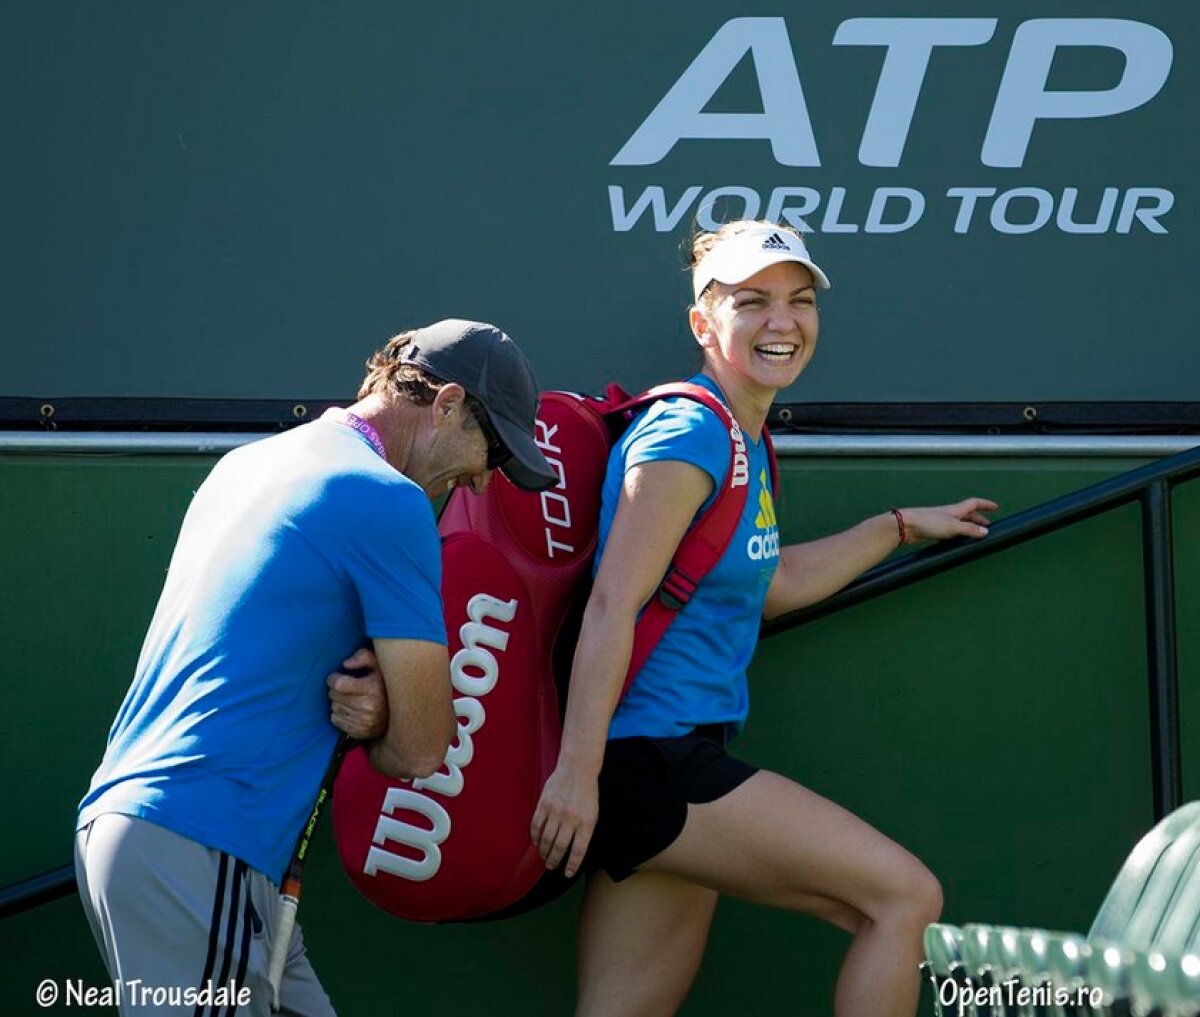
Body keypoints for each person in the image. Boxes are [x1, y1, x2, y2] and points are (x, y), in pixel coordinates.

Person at [529, 221, 999, 1017]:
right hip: (650, 761)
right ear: (703, 323)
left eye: (800, 300)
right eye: (753, 302)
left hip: (661, 758)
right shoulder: (689, 432)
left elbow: (771, 579)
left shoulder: (741, 434)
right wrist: (576, 774)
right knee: (903, 899)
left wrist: (897, 526)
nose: (783, 322)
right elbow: (615, 600)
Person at [75, 319, 557, 1015]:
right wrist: (391, 713)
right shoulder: (387, 501)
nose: (483, 480)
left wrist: (381, 706)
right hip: (200, 846)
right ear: (447, 403)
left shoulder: (248, 463)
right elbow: (422, 747)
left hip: (160, 840)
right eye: (493, 448)